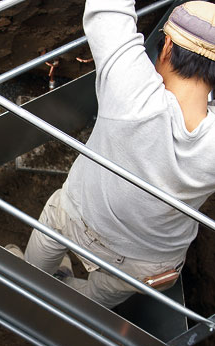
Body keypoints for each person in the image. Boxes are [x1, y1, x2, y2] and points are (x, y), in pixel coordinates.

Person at [18, 0, 215, 309]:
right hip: (149, 265)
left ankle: (28, 283)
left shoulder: (132, 89)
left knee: (55, 218)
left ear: (165, 50)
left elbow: (107, 8)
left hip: (80, 219)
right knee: (91, 303)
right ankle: (67, 304)